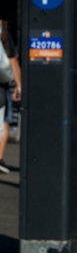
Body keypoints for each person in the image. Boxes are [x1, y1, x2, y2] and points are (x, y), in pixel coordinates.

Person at [0, 19, 21, 174]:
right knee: (4, 122)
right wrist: (18, 84)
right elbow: (12, 60)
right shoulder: (3, 33)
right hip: (1, 85)